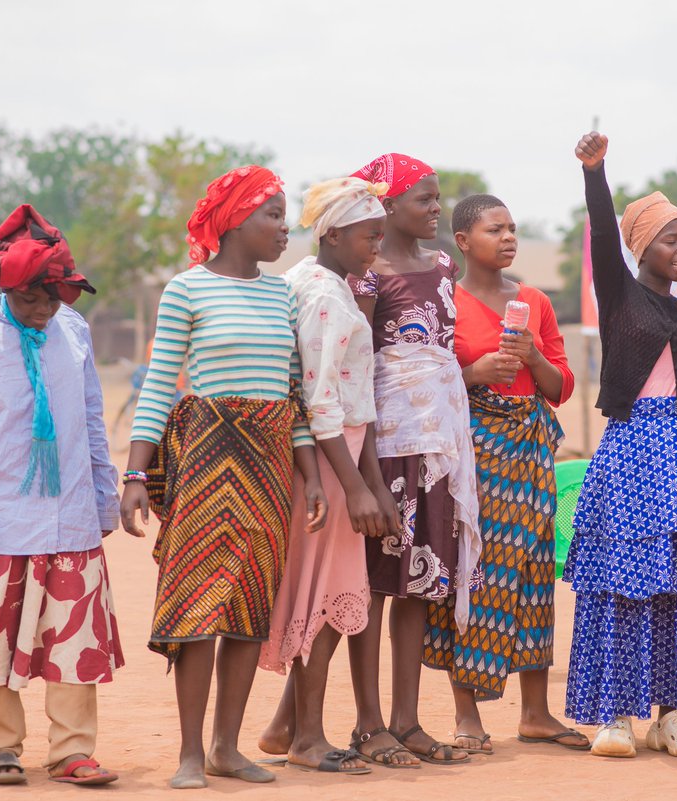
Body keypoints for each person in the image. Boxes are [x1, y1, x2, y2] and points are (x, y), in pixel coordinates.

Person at [120, 165, 327, 789]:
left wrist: (312, 476)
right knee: (195, 605)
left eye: (284, 216)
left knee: (248, 606)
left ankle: (226, 749)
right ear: (235, 220)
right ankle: (189, 753)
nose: (284, 228)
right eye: (272, 215)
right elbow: (159, 386)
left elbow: (291, 396)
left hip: (268, 466)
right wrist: (135, 473)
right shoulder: (186, 290)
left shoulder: (281, 295)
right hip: (208, 462)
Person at [0, 204, 126, 786]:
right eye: (32, 298)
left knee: (73, 636)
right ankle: (0, 746)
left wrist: (103, 493)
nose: (45, 309)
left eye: (55, 298)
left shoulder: (75, 331)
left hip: (70, 515)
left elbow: (91, 416)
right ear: (8, 289)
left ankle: (72, 750)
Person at [566, 132, 677, 759]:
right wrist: (595, 171)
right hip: (632, 451)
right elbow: (601, 233)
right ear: (643, 248)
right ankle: (614, 719)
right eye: (671, 239)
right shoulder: (619, 292)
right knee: (624, 582)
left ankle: (674, 717)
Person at [422, 193, 586, 754]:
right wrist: (475, 371)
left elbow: (561, 387)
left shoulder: (535, 301)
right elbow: (427, 380)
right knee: (475, 571)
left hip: (531, 452)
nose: (509, 237)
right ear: (463, 241)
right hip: (474, 452)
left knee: (534, 573)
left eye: (513, 228)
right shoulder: (445, 302)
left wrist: (533, 357)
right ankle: (466, 714)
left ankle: (536, 713)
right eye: (495, 230)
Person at [256, 176, 400, 774]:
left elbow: (349, 397)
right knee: (323, 595)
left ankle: (285, 726)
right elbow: (321, 403)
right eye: (370, 235)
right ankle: (308, 738)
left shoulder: (318, 284)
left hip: (335, 457)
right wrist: (358, 486)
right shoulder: (323, 295)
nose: (377, 246)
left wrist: (369, 481)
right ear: (333, 234)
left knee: (328, 592)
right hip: (326, 463)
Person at [343, 152, 480, 766]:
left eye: (437, 197)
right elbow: (360, 371)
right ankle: (369, 723)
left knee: (421, 586)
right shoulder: (365, 277)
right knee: (375, 586)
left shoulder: (444, 264)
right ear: (388, 204)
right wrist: (366, 475)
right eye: (423, 198)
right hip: (388, 447)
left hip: (439, 445)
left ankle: (407, 720)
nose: (435, 208)